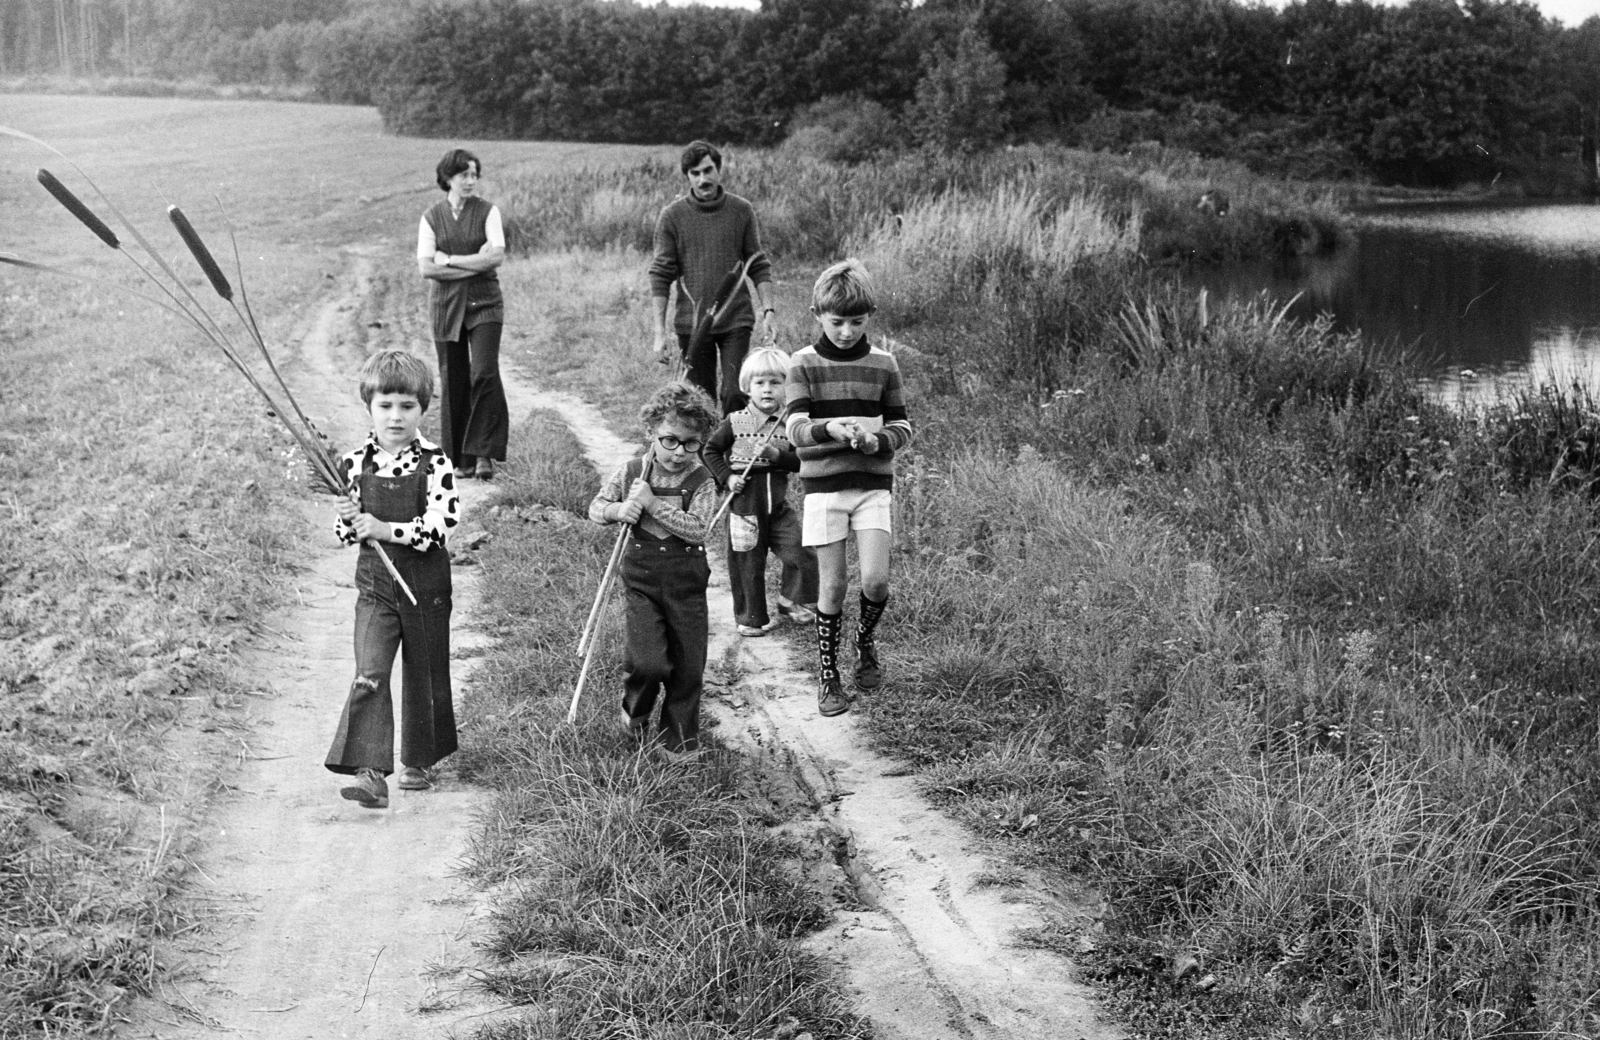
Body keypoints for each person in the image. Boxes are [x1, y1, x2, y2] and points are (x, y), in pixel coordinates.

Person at [326, 350, 461, 808]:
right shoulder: (351, 464)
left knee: (425, 674)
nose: (396, 416)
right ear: (369, 406)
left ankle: (419, 760)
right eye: (385, 405)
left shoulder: (436, 462)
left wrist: (388, 529)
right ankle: (370, 772)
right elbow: (344, 535)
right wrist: (350, 518)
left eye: (407, 406)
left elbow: (443, 523)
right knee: (370, 671)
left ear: (423, 409)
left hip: (425, 586)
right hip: (376, 589)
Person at [785, 260, 913, 718]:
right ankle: (828, 676)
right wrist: (830, 430)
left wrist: (878, 440)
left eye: (856, 322)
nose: (845, 331)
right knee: (834, 586)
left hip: (872, 485)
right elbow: (795, 426)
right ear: (817, 313)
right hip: (823, 489)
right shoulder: (803, 363)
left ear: (870, 316)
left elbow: (902, 423)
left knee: (876, 579)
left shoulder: (884, 364)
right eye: (836, 321)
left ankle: (864, 641)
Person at [588, 382, 720, 752]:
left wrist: (652, 504)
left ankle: (678, 741)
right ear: (651, 432)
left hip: (686, 582)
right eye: (670, 441)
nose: (680, 453)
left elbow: (699, 529)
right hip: (642, 579)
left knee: (688, 668)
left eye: (691, 443)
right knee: (647, 662)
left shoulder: (702, 480)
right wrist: (618, 510)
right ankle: (635, 710)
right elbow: (596, 507)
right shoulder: (632, 471)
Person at [648, 140, 777, 415]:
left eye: (708, 170)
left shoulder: (741, 211)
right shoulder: (672, 216)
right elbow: (660, 275)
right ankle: (708, 457)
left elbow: (758, 263)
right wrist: (659, 334)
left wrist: (768, 310)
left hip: (735, 319)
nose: (703, 179)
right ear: (687, 177)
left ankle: (734, 455)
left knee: (735, 393)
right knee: (700, 401)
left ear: (718, 170)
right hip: (693, 323)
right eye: (695, 173)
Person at [703, 347, 818, 637]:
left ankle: (790, 600)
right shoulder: (735, 420)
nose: (768, 390)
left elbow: (801, 462)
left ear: (787, 388)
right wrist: (727, 477)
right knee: (747, 563)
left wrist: (777, 455)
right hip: (744, 505)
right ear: (747, 387)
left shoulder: (789, 424)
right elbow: (711, 450)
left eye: (776, 383)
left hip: (778, 506)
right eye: (760, 383)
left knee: (802, 552)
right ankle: (751, 618)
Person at [418, 147, 509, 481]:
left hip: (485, 303)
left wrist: (451, 260)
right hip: (446, 307)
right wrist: (473, 262)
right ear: (448, 178)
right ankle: (461, 459)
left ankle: (484, 454)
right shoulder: (431, 217)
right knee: (453, 379)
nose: (470, 181)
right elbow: (427, 269)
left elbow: (495, 258)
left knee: (484, 372)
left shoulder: (489, 212)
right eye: (463, 175)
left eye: (474, 174)